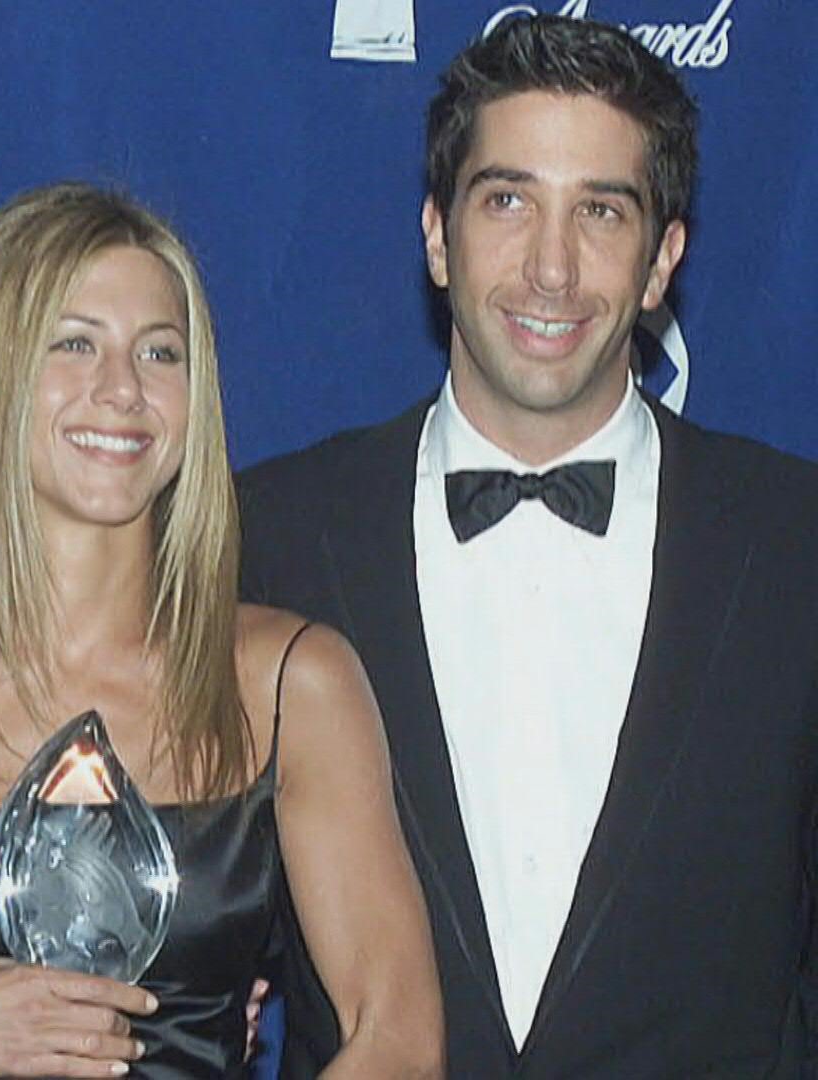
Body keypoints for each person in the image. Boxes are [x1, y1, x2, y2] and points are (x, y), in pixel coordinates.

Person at [0, 183, 442, 1079]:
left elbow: (398, 1037)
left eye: (160, 352)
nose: (123, 390)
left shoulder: (291, 683)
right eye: (74, 344)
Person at [239, 14, 818, 1077]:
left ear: (662, 260)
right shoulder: (267, 539)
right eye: (507, 201)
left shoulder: (795, 545)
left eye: (601, 210)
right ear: (436, 237)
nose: (552, 268)